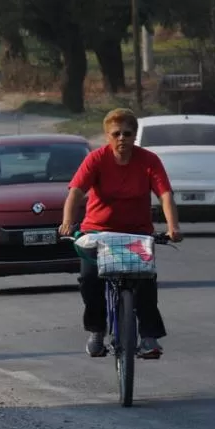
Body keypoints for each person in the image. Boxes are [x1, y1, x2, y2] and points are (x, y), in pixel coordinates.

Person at [59, 108, 183, 359]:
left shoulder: (149, 160)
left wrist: (173, 227)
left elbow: (165, 194)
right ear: (107, 136)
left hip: (136, 234)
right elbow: (75, 192)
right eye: (116, 134)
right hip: (98, 232)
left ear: (135, 135)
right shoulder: (95, 159)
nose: (122, 138)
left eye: (127, 133)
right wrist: (67, 222)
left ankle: (149, 337)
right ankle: (96, 330)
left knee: (146, 281)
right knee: (89, 279)